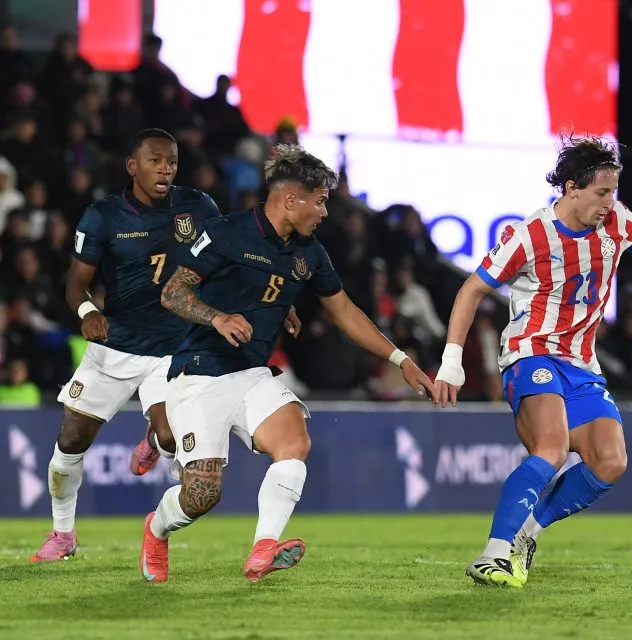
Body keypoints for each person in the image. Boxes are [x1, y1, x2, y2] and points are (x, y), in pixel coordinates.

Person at [434, 136, 632, 588]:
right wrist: (451, 360)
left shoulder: (616, 222)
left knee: (609, 460)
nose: (609, 202)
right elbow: (472, 290)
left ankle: (526, 534)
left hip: (581, 365)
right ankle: (493, 555)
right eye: (602, 192)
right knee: (552, 449)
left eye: (613, 192)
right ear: (571, 188)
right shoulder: (529, 235)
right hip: (531, 353)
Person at [139, 143, 437, 583]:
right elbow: (174, 292)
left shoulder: (309, 253)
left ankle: (263, 549)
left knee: (295, 442)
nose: (323, 211)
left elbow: (345, 311)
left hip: (252, 373)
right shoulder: (225, 233)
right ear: (290, 199)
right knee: (201, 496)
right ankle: (155, 529)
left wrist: (400, 357)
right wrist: (217, 317)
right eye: (318, 201)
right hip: (200, 371)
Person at [30, 129, 223, 562]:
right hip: (114, 348)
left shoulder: (199, 207)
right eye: (155, 161)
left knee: (172, 437)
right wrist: (87, 313)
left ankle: (155, 441)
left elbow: (226, 259)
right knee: (70, 444)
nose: (166, 169)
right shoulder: (103, 217)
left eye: (171, 161)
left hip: (172, 350)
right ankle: (63, 535)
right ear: (132, 166)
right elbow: (76, 285)